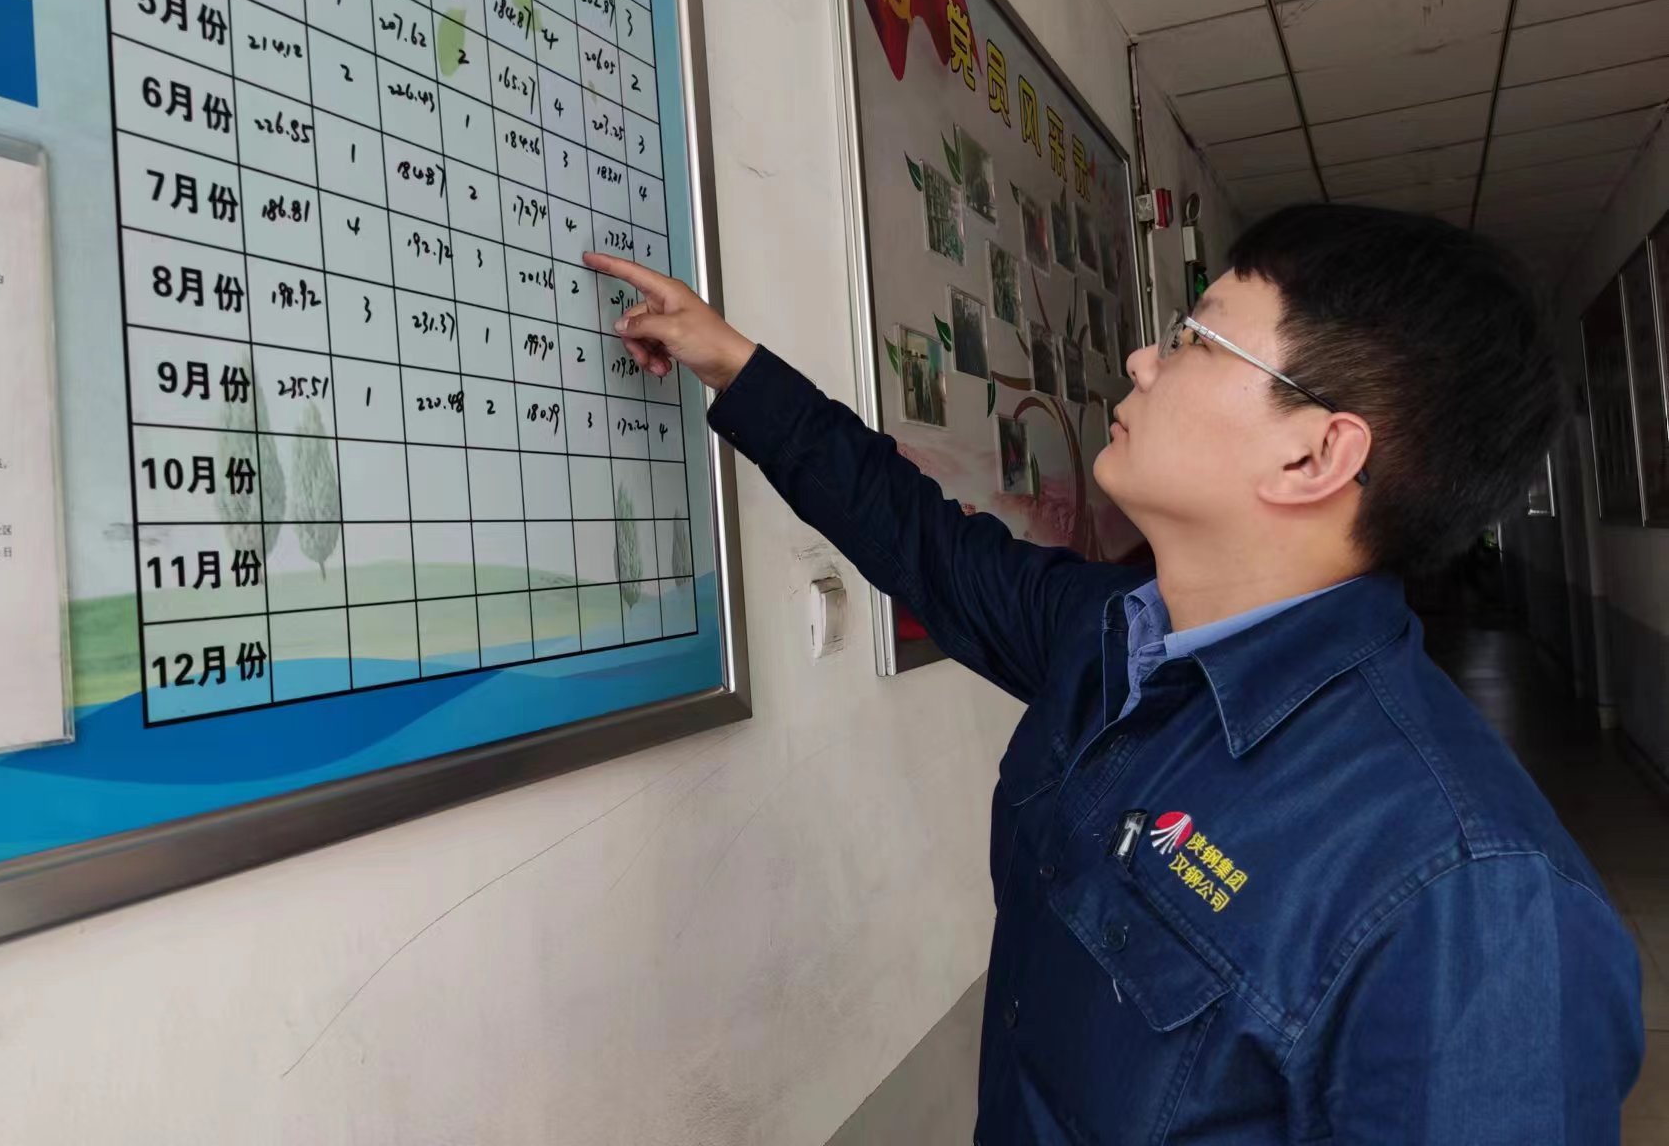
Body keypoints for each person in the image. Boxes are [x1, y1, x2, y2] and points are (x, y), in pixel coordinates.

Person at [584, 203, 1644, 1144]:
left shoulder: (1472, 899)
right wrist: (727, 359)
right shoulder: (1111, 638)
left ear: (1312, 456)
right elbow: (917, 538)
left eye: (1194, 337)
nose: (1142, 358)